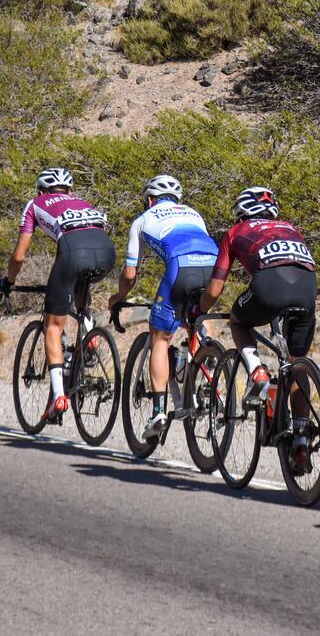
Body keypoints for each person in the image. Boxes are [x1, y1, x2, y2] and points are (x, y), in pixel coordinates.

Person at [199, 187, 317, 473]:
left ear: (241, 211)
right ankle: (301, 434)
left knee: (239, 322)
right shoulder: (291, 228)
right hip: (307, 289)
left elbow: (215, 288)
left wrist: (200, 310)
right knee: (296, 364)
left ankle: (257, 371)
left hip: (268, 288)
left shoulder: (236, 231)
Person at [0, 167, 116, 421]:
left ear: (41, 191)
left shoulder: (35, 203)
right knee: (83, 282)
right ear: (70, 191)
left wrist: (9, 280)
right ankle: (89, 334)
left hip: (73, 253)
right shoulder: (82, 202)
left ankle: (59, 398)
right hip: (106, 251)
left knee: (52, 326)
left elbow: (19, 255)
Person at [107, 175, 219, 441]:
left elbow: (130, 274)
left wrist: (118, 297)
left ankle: (158, 411)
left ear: (149, 200)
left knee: (159, 336)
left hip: (180, 267)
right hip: (213, 266)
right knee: (198, 317)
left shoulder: (142, 220)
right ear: (178, 200)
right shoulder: (195, 214)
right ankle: (208, 360)